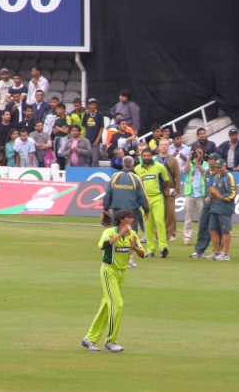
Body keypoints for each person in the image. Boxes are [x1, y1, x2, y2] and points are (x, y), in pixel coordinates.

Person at [81, 208, 145, 353]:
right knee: (117, 305)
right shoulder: (109, 232)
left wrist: (134, 248)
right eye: (130, 217)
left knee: (106, 306)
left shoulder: (133, 234)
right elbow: (103, 246)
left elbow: (143, 254)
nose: (132, 220)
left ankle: (89, 339)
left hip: (121, 274)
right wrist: (119, 235)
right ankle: (111, 341)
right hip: (108, 271)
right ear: (122, 219)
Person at [103, 156, 150, 267]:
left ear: (123, 165)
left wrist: (105, 208)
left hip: (117, 211)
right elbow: (142, 195)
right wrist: (146, 209)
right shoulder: (136, 178)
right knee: (130, 235)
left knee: (117, 233)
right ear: (132, 165)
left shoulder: (115, 176)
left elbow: (108, 193)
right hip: (131, 211)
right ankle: (129, 259)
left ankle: (114, 258)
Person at [134, 148, 169, 258]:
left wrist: (158, 191)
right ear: (141, 156)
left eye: (148, 156)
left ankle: (163, 247)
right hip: (145, 200)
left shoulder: (159, 167)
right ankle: (150, 249)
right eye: (144, 156)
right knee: (148, 225)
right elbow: (137, 185)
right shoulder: (137, 169)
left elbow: (166, 182)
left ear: (151, 156)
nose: (146, 158)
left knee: (159, 222)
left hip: (157, 197)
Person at [205, 158, 236, 261]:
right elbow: (212, 191)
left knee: (225, 231)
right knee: (211, 230)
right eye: (217, 167)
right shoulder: (215, 176)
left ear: (225, 166)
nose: (219, 169)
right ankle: (217, 252)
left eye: (220, 167)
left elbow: (233, 193)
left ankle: (225, 254)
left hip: (225, 208)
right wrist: (209, 197)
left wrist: (222, 197)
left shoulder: (229, 177)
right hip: (214, 207)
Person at [182, 145, 208, 245]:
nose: (198, 154)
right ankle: (187, 237)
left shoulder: (205, 164)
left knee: (202, 218)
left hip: (201, 194)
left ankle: (202, 237)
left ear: (203, 154)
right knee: (188, 217)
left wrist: (197, 162)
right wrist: (189, 158)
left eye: (200, 153)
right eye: (196, 152)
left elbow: (204, 173)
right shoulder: (190, 163)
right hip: (190, 193)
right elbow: (184, 171)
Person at [157, 139, 181, 241]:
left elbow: (177, 176)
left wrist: (177, 189)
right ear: (159, 146)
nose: (163, 146)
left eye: (166, 145)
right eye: (162, 145)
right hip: (156, 189)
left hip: (169, 189)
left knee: (170, 213)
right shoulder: (154, 159)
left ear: (168, 146)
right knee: (156, 213)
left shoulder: (173, 160)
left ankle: (171, 233)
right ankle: (155, 233)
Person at [83, 98, 104, 167]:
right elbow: (85, 127)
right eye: (91, 104)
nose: (93, 106)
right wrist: (84, 139)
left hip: (95, 140)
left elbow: (101, 128)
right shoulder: (86, 114)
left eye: (94, 104)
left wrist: (97, 139)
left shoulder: (99, 114)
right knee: (87, 159)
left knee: (95, 159)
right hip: (87, 140)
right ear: (88, 105)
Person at [52, 104, 71, 169]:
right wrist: (62, 128)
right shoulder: (56, 119)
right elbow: (54, 131)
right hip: (57, 139)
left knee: (64, 155)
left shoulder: (67, 118)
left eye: (57, 109)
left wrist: (58, 128)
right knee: (57, 156)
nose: (56, 111)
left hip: (65, 139)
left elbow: (66, 131)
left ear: (62, 110)